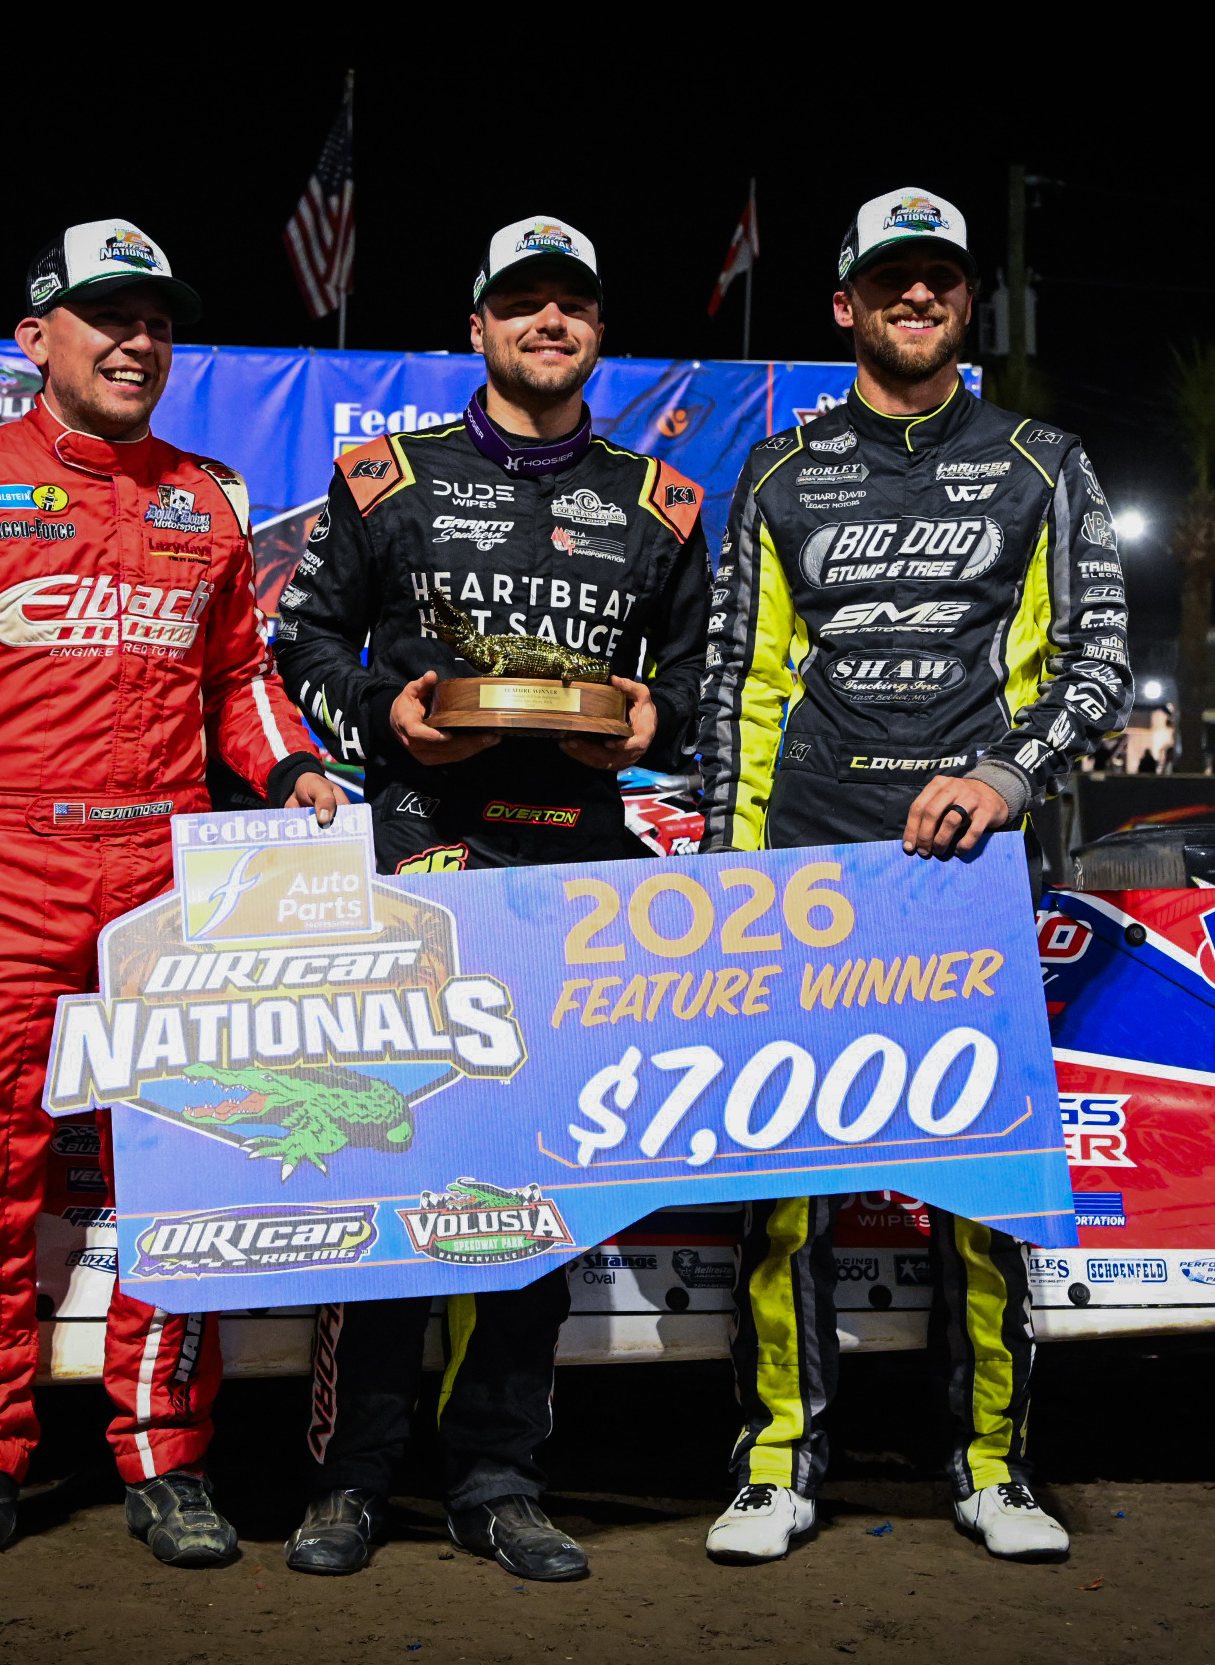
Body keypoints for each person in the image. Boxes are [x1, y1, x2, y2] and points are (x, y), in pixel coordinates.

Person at [0, 218, 342, 1574]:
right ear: (34, 338)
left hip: (165, 881)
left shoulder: (207, 497)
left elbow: (239, 681)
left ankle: (166, 1458)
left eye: (156, 322)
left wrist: (292, 766)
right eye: (109, 317)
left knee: (178, 1173)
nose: (137, 341)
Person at [695, 187, 1131, 1565]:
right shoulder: (778, 469)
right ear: (847, 305)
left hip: (973, 881)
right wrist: (729, 876)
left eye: (939, 276)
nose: (917, 296)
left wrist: (1004, 778)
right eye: (891, 278)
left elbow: (1098, 666)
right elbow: (739, 685)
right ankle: (776, 1465)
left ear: (966, 300)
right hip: (805, 878)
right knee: (784, 1190)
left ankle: (993, 1468)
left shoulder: (1043, 461)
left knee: (984, 1190)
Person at [272, 217, 711, 1580]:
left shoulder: (662, 502)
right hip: (419, 850)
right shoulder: (385, 476)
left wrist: (657, 719)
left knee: (536, 1185)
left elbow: (703, 682)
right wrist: (382, 711)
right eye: (521, 302)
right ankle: (352, 1478)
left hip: (574, 865)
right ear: (477, 327)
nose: (546, 322)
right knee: (393, 1162)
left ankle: (500, 1479)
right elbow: (299, 641)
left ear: (598, 332)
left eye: (570, 304)